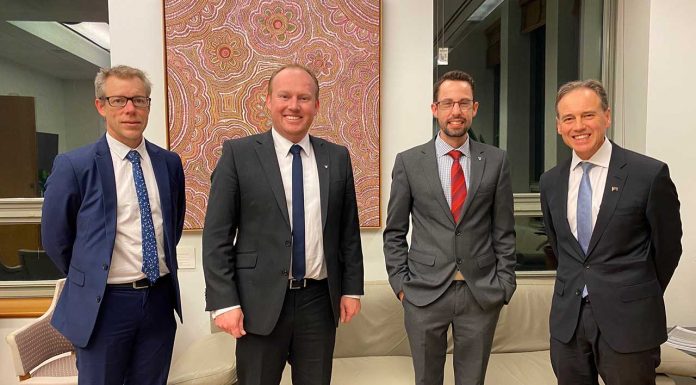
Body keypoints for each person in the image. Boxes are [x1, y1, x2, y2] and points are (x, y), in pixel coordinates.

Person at [202, 63, 364, 385]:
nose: (294, 106)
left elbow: (349, 232)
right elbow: (217, 234)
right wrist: (224, 302)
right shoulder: (239, 154)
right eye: (284, 96)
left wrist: (351, 289)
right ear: (268, 101)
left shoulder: (338, 156)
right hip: (258, 303)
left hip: (318, 302)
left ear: (316, 105)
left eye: (304, 98)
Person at [42, 65, 186, 385]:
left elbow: (171, 226)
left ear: (149, 105)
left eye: (139, 100)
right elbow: (55, 238)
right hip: (103, 306)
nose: (130, 109)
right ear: (101, 106)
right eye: (119, 100)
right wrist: (90, 275)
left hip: (158, 300)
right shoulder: (74, 166)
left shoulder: (169, 163)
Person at [540, 79, 682, 385]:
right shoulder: (551, 182)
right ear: (558, 126)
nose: (579, 125)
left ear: (607, 116)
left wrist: (634, 291)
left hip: (630, 321)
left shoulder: (648, 174)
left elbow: (668, 249)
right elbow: (563, 249)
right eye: (569, 118)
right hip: (569, 323)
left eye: (588, 115)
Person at [383, 70, 516, 385]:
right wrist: (402, 286)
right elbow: (395, 232)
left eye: (463, 103)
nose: (456, 111)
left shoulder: (496, 161)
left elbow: (504, 231)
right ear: (435, 109)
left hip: (480, 293)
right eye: (448, 103)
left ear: (475, 108)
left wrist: (504, 284)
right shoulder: (409, 162)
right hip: (423, 293)